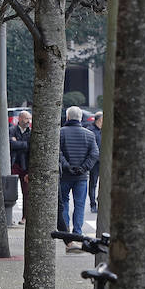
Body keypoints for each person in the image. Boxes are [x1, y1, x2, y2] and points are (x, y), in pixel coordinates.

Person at [59, 106, 99, 249]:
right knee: (80, 204)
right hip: (81, 176)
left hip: (65, 175)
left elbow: (58, 153)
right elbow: (94, 154)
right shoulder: (89, 135)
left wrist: (67, 166)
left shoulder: (61, 133)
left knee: (63, 202)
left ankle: (66, 233)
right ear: (81, 118)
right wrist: (84, 167)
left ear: (68, 117)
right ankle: (78, 232)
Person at [9, 110, 32, 224]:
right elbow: (10, 144)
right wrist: (24, 145)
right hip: (13, 164)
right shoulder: (11, 130)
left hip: (26, 166)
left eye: (29, 119)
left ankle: (25, 217)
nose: (28, 121)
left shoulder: (31, 132)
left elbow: (31, 147)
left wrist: (18, 143)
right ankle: (9, 217)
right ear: (20, 118)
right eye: (26, 118)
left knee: (26, 193)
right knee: (10, 191)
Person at [88, 111, 102, 213]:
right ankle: (93, 204)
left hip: (104, 162)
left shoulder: (105, 130)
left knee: (104, 183)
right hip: (94, 162)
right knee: (93, 183)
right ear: (100, 120)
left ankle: (100, 200)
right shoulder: (91, 131)